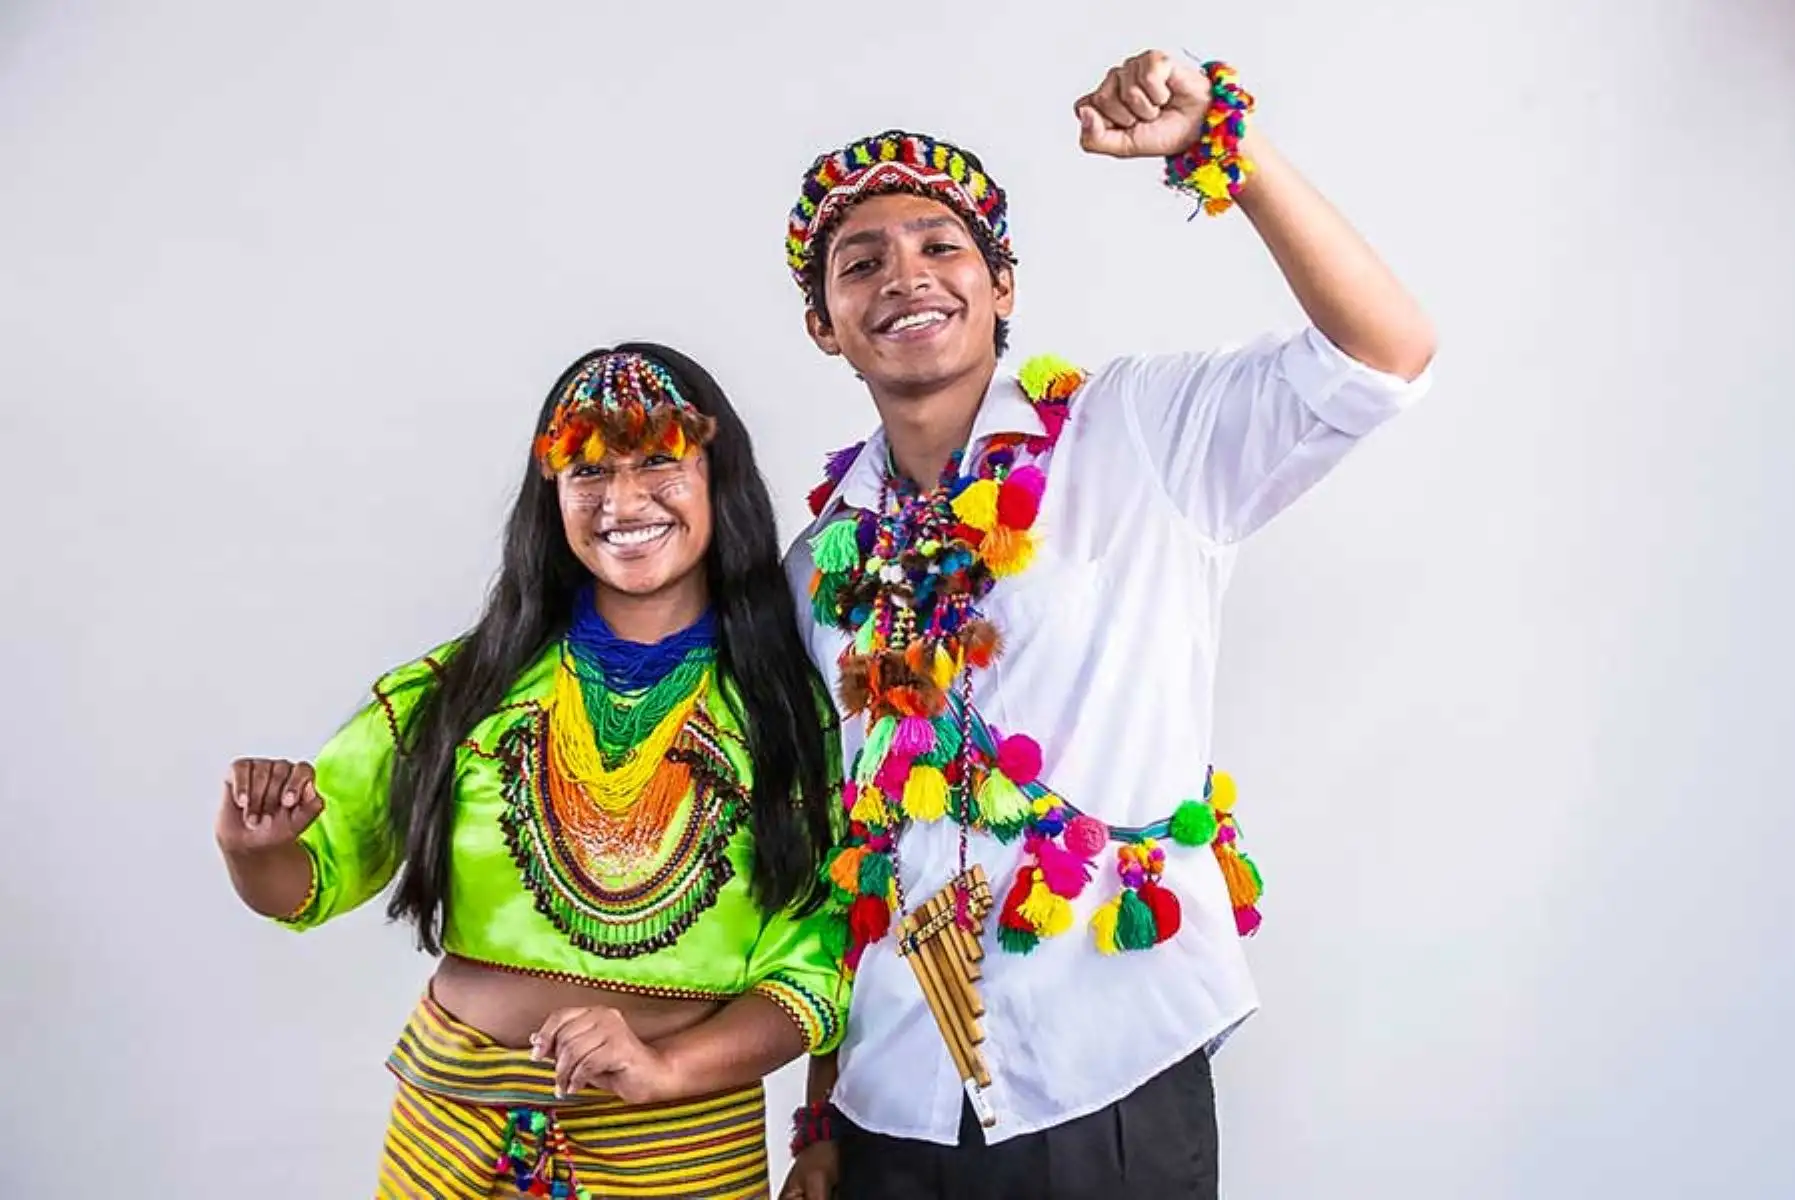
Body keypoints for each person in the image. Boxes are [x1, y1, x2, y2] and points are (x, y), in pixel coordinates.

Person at [775, 50, 1436, 1200]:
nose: (904, 278)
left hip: (1111, 1070)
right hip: (892, 1103)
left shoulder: (1135, 436)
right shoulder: (819, 561)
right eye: (859, 261)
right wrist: (821, 1115)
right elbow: (842, 855)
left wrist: (1218, 147)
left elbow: (1383, 356)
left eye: (943, 246)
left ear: (1002, 285)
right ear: (826, 323)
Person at [215, 344, 850, 1199]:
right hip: (450, 1130)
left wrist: (662, 1068)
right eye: (587, 471)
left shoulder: (791, 719)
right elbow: (307, 879)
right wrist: (254, 849)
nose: (623, 501)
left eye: (660, 459)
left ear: (719, 479)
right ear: (550, 498)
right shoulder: (462, 689)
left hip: (677, 1142)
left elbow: (815, 969)